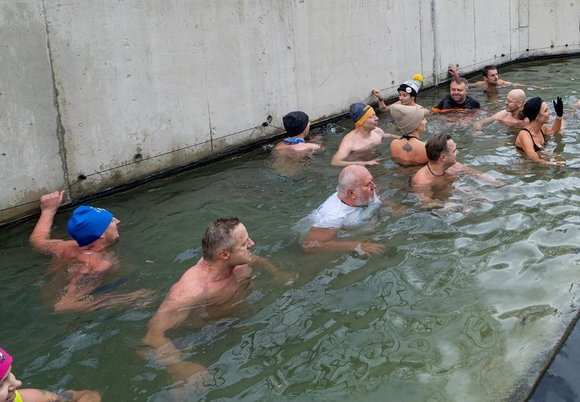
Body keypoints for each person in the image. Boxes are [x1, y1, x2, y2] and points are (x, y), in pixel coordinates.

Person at [142, 217, 292, 383]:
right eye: (244, 244)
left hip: (237, 321)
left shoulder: (239, 261)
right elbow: (153, 336)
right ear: (224, 254)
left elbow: (261, 261)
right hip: (200, 337)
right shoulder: (191, 291)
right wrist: (179, 367)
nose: (252, 243)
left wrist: (278, 274)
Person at [29, 190, 152, 312]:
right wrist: (129, 299)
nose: (117, 221)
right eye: (111, 221)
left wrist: (48, 210)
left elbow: (37, 241)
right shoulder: (95, 265)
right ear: (101, 237)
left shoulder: (63, 246)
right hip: (57, 303)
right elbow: (63, 305)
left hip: (47, 290)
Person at [302, 165, 390, 255]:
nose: (374, 186)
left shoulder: (363, 192)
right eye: (368, 184)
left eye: (371, 181)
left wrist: (394, 206)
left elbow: (378, 195)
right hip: (337, 236)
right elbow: (309, 246)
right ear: (351, 193)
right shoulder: (333, 217)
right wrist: (357, 246)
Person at [412, 134, 499, 203]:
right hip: (444, 201)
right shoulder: (422, 181)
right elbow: (426, 202)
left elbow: (476, 174)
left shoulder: (453, 165)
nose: (457, 152)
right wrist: (449, 206)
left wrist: (497, 183)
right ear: (443, 157)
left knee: (481, 196)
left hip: (454, 191)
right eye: (454, 151)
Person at [0, 346, 101, 402]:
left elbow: (88, 395)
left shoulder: (28, 399)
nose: (17, 383)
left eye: (10, 374)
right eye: (1, 384)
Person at [331, 103, 396, 166]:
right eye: (371, 117)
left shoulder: (377, 131)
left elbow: (387, 135)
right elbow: (335, 162)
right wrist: (363, 163)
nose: (377, 118)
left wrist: (402, 138)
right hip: (359, 168)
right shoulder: (350, 141)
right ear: (361, 122)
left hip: (375, 161)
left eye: (375, 115)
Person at [514, 96, 565, 165]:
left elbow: (554, 131)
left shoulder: (542, 128)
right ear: (537, 116)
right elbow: (534, 159)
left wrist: (559, 115)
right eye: (546, 111)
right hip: (524, 166)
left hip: (540, 159)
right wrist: (554, 163)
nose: (549, 113)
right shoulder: (525, 135)